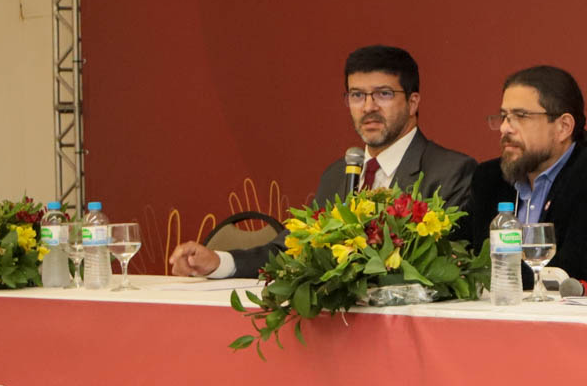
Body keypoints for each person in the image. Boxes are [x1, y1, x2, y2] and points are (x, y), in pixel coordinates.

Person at [168, 45, 476, 279]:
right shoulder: (338, 174)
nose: (368, 107)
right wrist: (219, 262)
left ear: (412, 102)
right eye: (356, 95)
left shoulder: (451, 172)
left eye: (383, 94)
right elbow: (291, 249)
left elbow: (443, 265)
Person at [466, 65, 587, 282]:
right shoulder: (489, 178)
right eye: (504, 116)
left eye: (520, 116)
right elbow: (463, 252)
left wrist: (493, 276)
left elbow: (573, 270)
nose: (505, 128)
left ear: (563, 127)